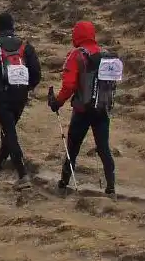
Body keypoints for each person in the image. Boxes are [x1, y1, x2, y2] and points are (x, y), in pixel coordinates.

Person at [48, 21, 116, 196]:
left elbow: (69, 86)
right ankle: (111, 186)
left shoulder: (76, 56)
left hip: (82, 110)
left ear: (77, 35)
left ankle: (64, 182)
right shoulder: (105, 55)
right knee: (103, 148)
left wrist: (57, 102)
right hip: (102, 109)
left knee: (72, 147)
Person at [0, 12, 40, 189]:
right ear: (12, 25)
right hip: (20, 95)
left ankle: (22, 174)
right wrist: (27, 87)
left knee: (9, 131)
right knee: (8, 128)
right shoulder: (26, 47)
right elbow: (36, 72)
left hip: (2, 95)